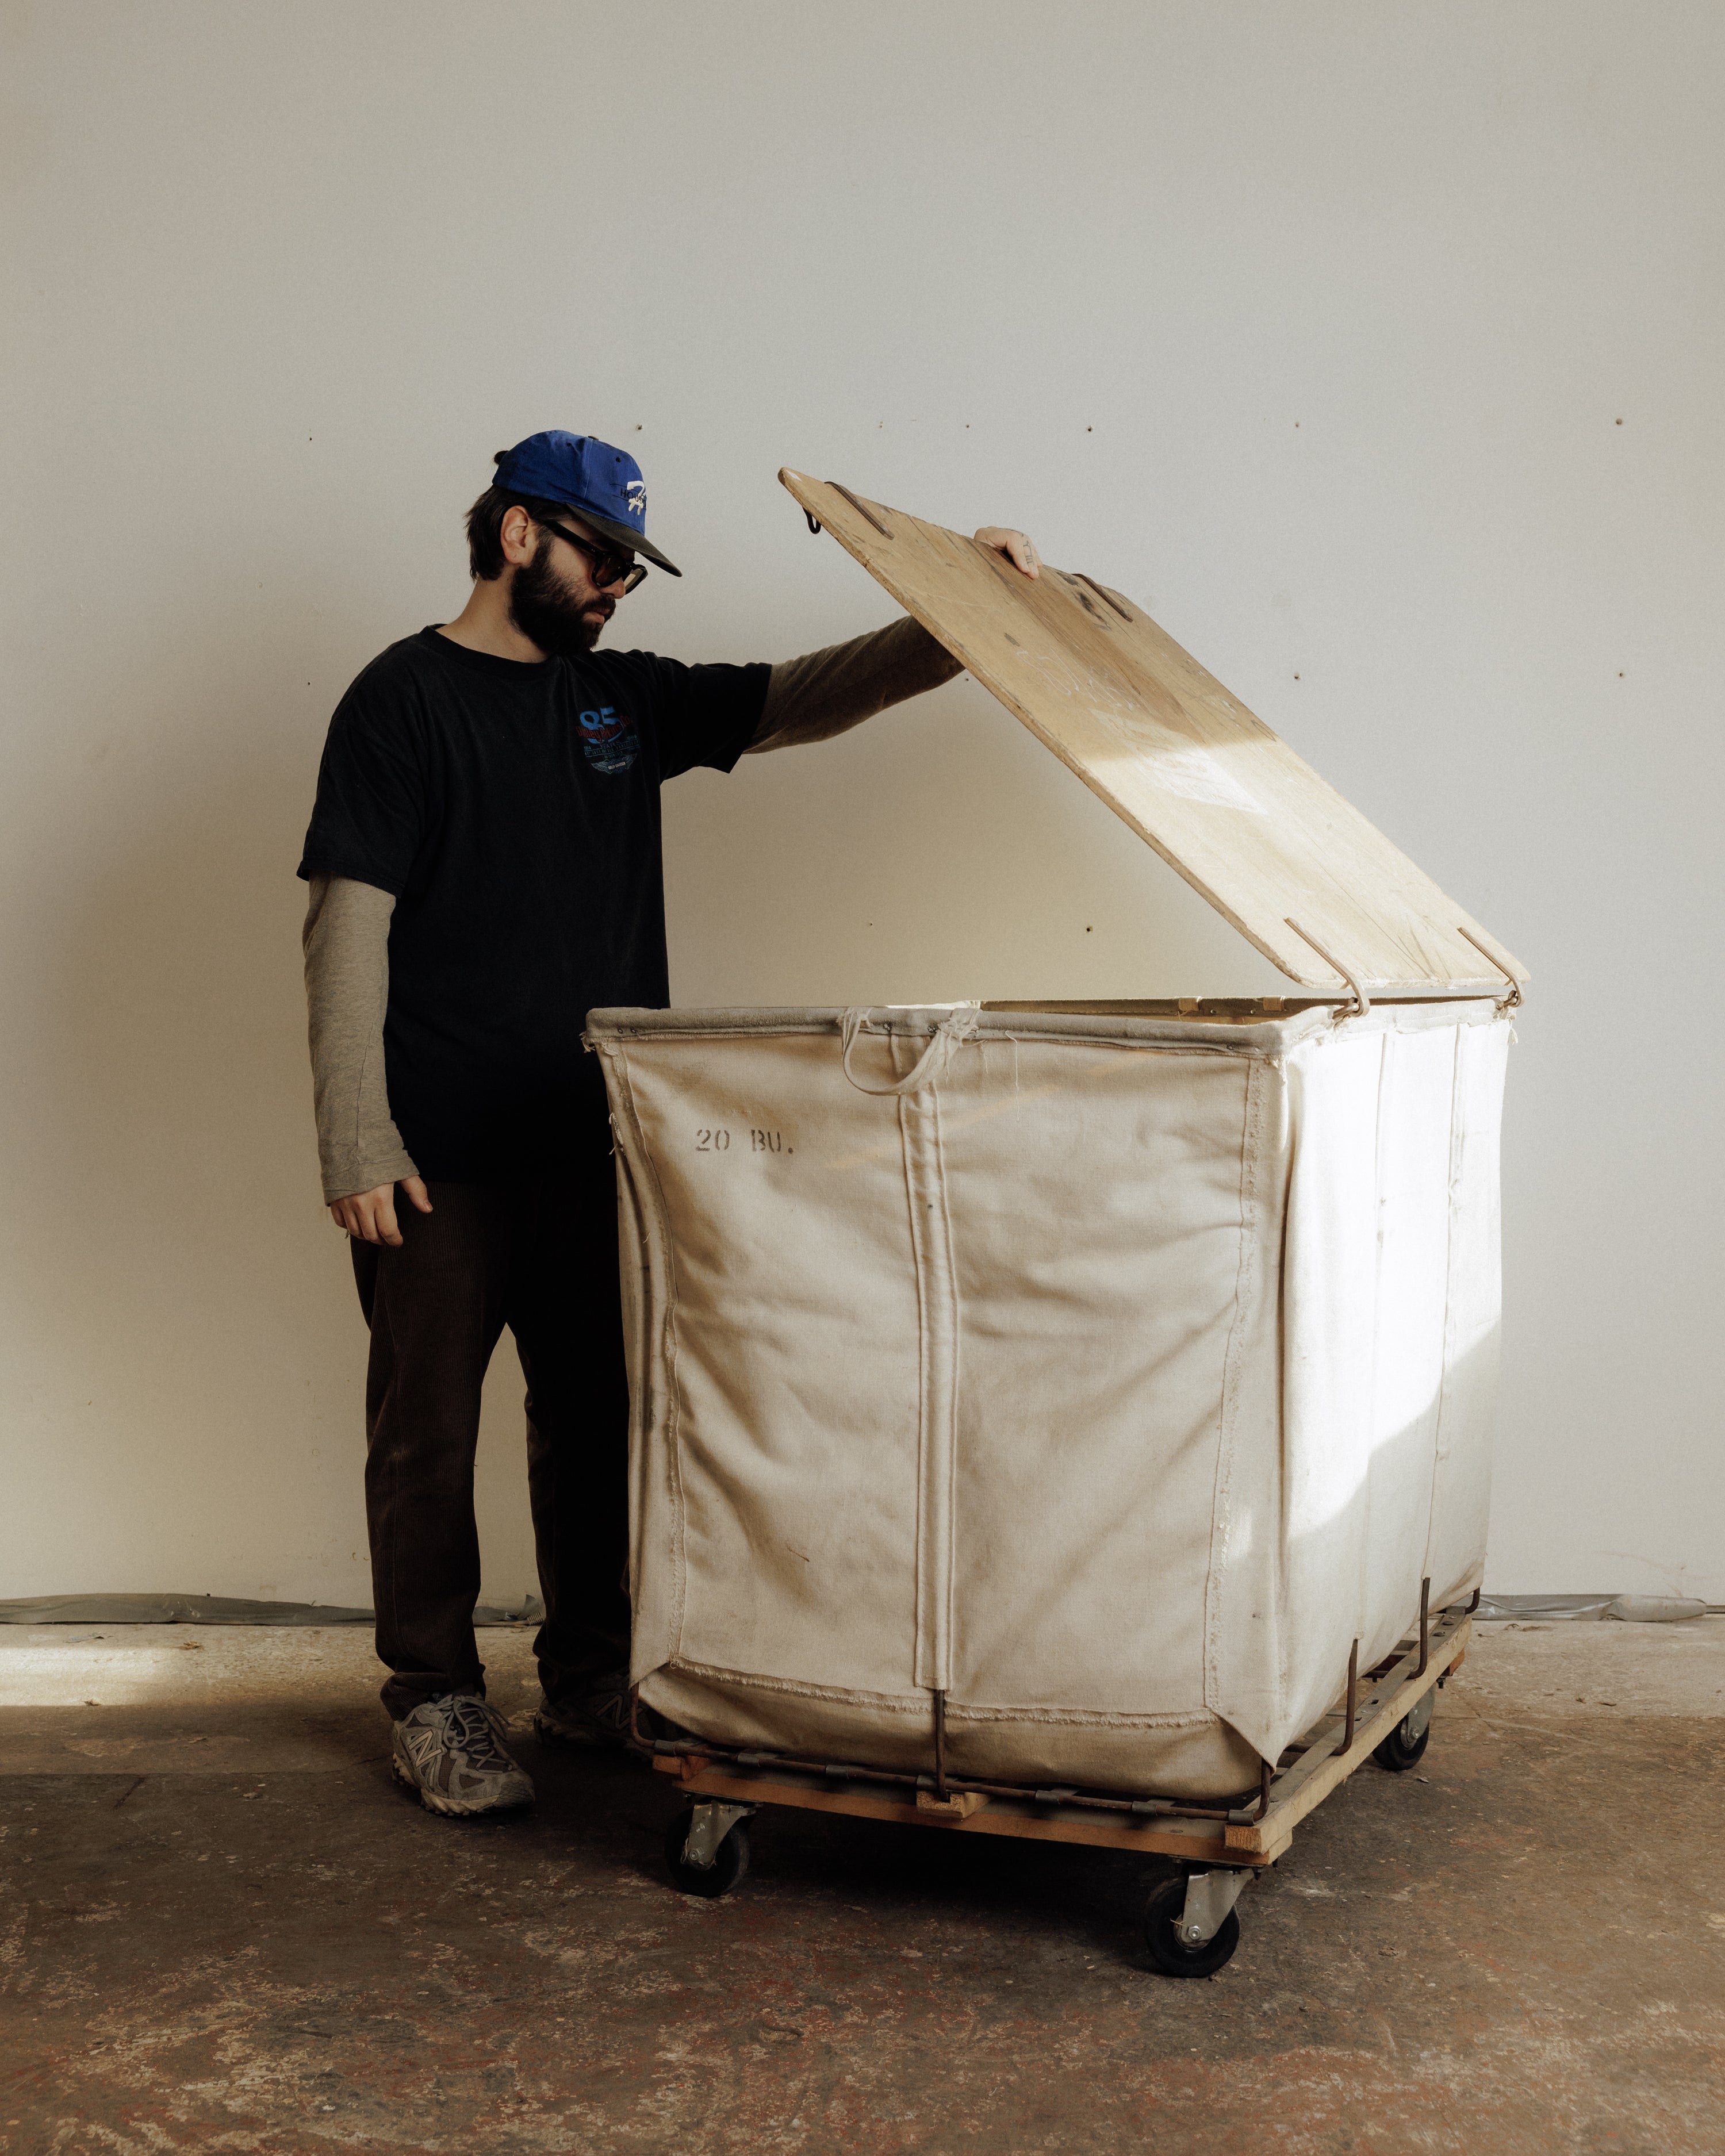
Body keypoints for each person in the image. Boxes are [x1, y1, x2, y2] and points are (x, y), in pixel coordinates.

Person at [298, 430, 1041, 1817]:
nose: (618, 592)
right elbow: (349, 926)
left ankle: (588, 1680)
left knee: (600, 1423)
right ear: (518, 534)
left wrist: (950, 621)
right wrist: (358, 1141)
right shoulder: (399, 704)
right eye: (602, 559)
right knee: (426, 1434)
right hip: (439, 1157)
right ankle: (436, 1698)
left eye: (634, 571)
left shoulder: (616, 705)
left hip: (601, 1146)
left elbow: (799, 697)